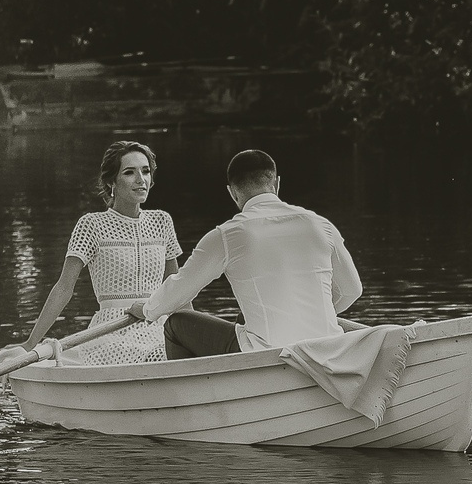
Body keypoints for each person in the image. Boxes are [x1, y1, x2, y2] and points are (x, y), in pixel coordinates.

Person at [145, 148, 362, 358]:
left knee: (177, 323)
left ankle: (197, 393)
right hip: (327, 346)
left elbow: (178, 291)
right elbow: (351, 290)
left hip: (265, 353)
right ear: (277, 184)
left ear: (232, 192)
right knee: (242, 317)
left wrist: (147, 310)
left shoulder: (227, 234)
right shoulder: (321, 225)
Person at [21, 140, 184, 365]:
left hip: (157, 325)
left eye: (145, 171)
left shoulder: (162, 221)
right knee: (155, 355)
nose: (141, 180)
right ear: (111, 182)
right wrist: (29, 345)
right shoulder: (91, 225)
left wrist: (193, 336)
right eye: (129, 172)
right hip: (112, 331)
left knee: (177, 352)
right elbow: (64, 288)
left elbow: (177, 288)